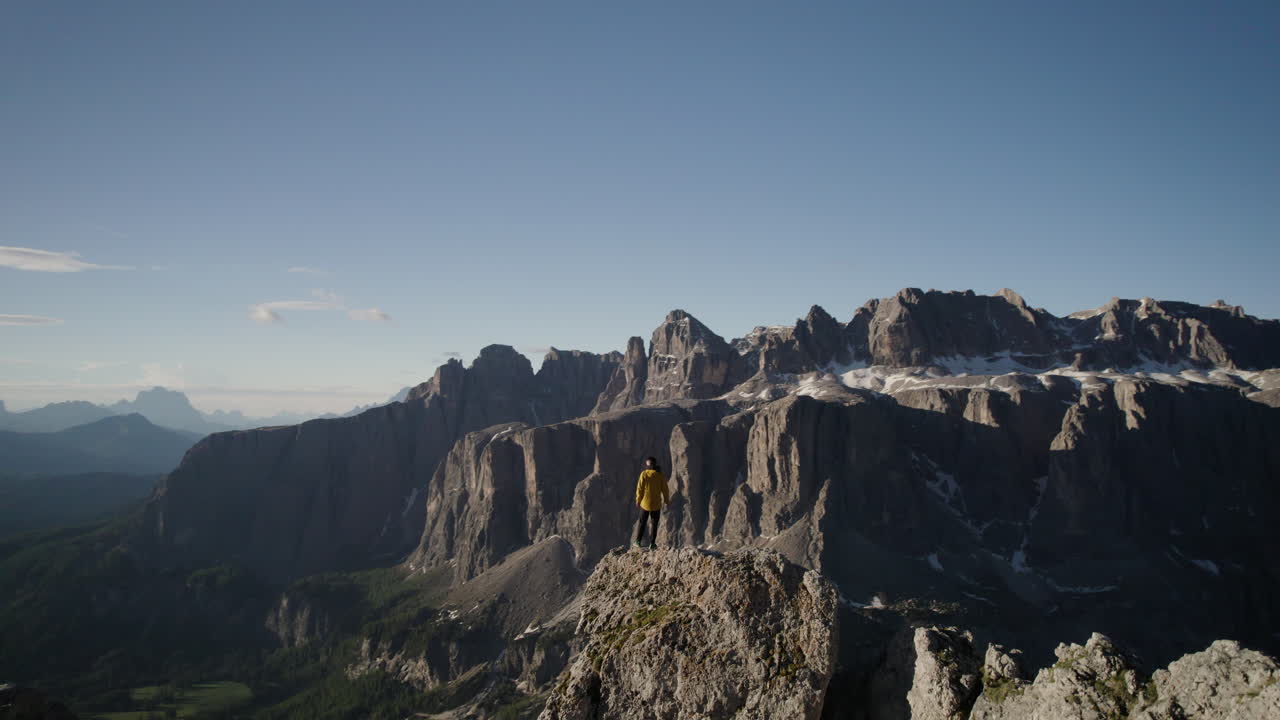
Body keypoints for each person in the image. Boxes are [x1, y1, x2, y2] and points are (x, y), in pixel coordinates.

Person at [633, 456, 670, 549]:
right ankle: (652, 543)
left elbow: (640, 488)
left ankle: (638, 541)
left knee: (642, 522)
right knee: (654, 524)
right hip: (656, 504)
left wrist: (638, 499)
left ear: (649, 464)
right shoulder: (660, 475)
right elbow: (665, 489)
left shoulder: (644, 474)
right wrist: (666, 500)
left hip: (645, 503)